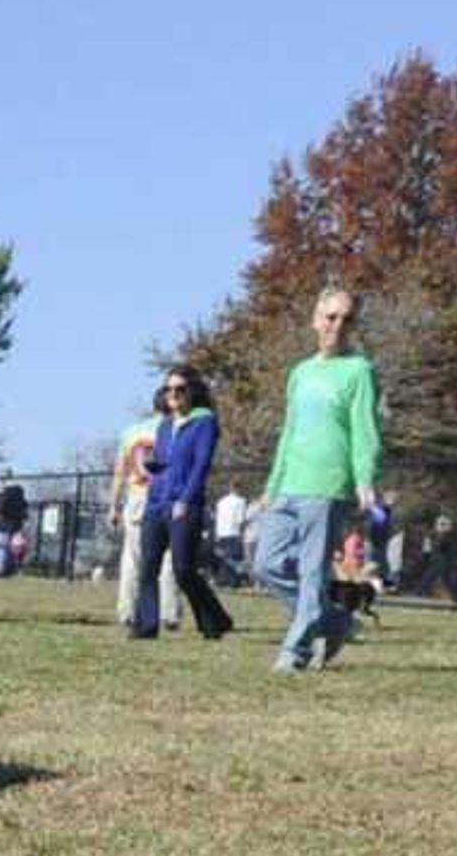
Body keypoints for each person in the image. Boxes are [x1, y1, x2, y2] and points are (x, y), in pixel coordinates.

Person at [249, 287, 384, 673]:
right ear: (315, 319)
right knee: (266, 564)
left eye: (347, 319)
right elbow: (289, 432)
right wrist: (272, 486)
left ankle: (295, 653)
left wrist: (364, 479)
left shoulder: (359, 371)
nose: (337, 325)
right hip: (289, 483)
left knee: (313, 573)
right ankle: (338, 621)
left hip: (329, 485)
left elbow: (364, 430)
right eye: (331, 317)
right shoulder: (301, 373)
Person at [128, 367, 235, 642]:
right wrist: (151, 467)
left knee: (184, 569)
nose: (173, 394)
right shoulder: (164, 426)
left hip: (184, 505)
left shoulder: (204, 423)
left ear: (192, 392)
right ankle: (145, 627)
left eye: (180, 389)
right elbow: (164, 462)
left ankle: (216, 619)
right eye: (168, 389)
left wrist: (186, 499)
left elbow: (201, 464)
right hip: (156, 503)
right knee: (148, 566)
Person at [109, 391, 168, 626]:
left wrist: (113, 505)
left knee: (133, 557)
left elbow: (119, 472)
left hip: (136, 497)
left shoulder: (131, 432)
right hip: (164, 497)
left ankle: (127, 610)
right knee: (168, 558)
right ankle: (167, 612)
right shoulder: (175, 430)